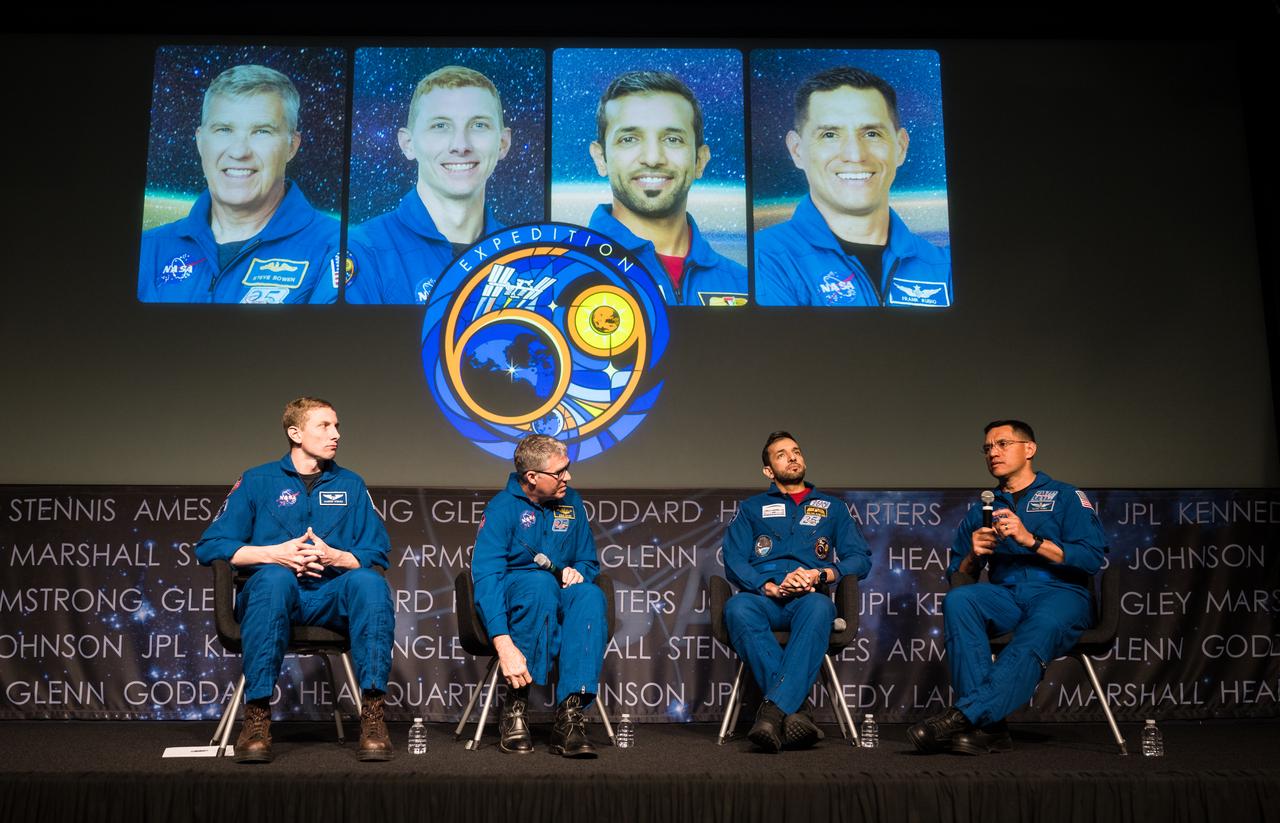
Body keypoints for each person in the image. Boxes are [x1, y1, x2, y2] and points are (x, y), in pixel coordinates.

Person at [195, 397, 394, 763]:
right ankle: (256, 716)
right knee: (273, 580)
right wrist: (276, 554)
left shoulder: (351, 484)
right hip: (274, 595)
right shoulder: (257, 480)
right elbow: (211, 546)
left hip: (330, 595)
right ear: (295, 433)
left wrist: (337, 557)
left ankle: (373, 714)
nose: (336, 434)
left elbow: (378, 550)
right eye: (325, 426)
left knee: (370, 583)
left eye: (337, 426)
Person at [908, 420, 1108, 755]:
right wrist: (974, 554)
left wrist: (1031, 540)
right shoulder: (983, 509)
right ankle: (990, 727)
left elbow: (1091, 559)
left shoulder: (1066, 495)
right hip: (1008, 597)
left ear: (1029, 449)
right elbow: (960, 576)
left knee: (1041, 625)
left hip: (1061, 593)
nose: (993, 453)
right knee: (961, 600)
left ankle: (964, 716)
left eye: (1002, 444)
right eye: (987, 448)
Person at [721, 431, 871, 752]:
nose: (792, 457)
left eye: (796, 451)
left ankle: (773, 712)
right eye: (781, 454)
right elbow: (733, 559)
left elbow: (861, 559)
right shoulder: (751, 508)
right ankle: (797, 711)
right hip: (764, 598)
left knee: (819, 608)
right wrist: (767, 585)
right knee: (736, 609)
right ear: (768, 471)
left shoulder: (832, 507)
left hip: (808, 599)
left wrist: (824, 572)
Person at [139, 64, 339, 304]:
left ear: (291, 146)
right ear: (201, 142)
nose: (239, 151)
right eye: (224, 129)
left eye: (262, 131)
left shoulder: (334, 249)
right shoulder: (148, 250)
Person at [754, 66, 951, 307]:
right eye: (829, 135)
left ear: (900, 147)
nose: (855, 155)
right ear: (797, 150)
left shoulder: (945, 266)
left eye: (871, 134)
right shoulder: (763, 258)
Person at [470, 434, 608, 758]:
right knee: (539, 585)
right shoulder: (502, 509)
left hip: (563, 595)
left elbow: (589, 561)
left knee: (590, 595)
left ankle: (570, 716)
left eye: (568, 469)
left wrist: (580, 573)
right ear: (532, 477)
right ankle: (516, 707)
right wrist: (502, 643)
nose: (568, 477)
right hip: (519, 598)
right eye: (560, 472)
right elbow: (487, 578)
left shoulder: (572, 503)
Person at [346, 66, 511, 304]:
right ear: (408, 144)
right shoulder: (364, 251)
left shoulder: (528, 254)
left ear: (503, 143)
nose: (461, 145)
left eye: (478, 125)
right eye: (440, 126)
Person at [586, 70, 748, 307]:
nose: (653, 158)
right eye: (629, 139)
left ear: (700, 161)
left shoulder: (743, 283)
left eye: (672, 139)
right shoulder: (561, 272)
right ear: (600, 158)